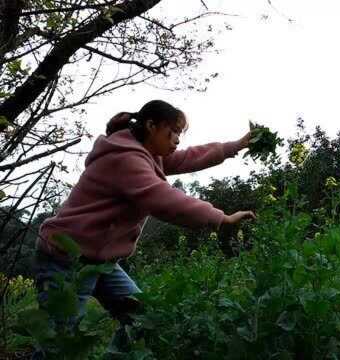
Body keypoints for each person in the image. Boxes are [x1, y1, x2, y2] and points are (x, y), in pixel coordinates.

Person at [32, 100, 256, 358]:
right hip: (65, 257)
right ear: (151, 126)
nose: (177, 141)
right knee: (59, 342)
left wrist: (235, 146)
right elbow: (162, 198)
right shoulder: (125, 158)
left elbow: (189, 157)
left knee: (144, 317)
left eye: (179, 134)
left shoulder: (149, 154)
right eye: (172, 132)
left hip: (100, 261)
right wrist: (221, 219)